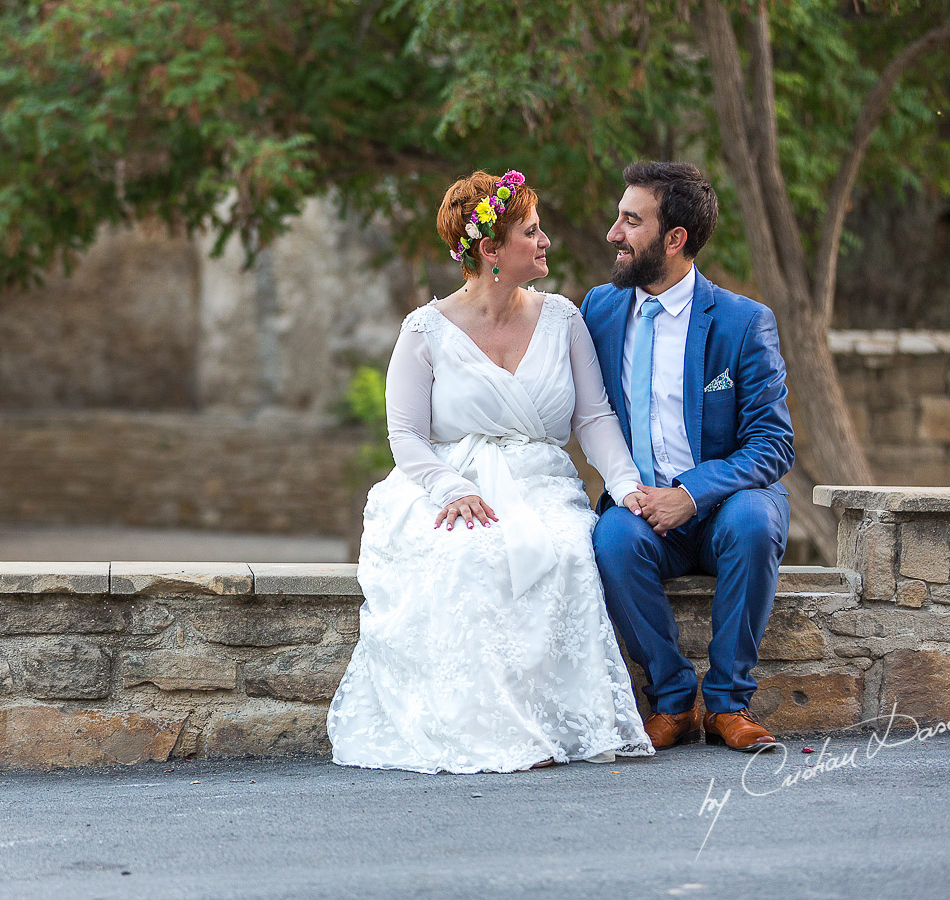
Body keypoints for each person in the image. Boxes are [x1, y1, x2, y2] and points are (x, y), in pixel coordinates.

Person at [327, 170, 654, 774]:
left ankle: (553, 719)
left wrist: (626, 485)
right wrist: (451, 489)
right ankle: (477, 724)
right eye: (531, 231)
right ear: (490, 250)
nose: (546, 241)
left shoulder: (564, 319)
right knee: (465, 556)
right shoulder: (424, 330)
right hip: (451, 479)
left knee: (568, 552)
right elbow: (405, 435)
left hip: (542, 481)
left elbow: (595, 417)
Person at [582, 161, 795, 753]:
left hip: (727, 505)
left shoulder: (742, 322)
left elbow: (774, 444)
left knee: (754, 522)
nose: (613, 234)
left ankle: (728, 704)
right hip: (643, 507)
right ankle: (672, 701)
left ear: (674, 239)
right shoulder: (598, 310)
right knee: (611, 540)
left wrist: (692, 494)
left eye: (631, 221)